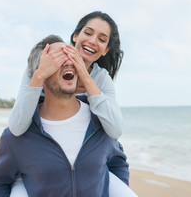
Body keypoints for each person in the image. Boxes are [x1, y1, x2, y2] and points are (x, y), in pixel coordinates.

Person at [0, 38, 129, 197]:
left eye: (72, 58)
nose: (68, 63)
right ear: (40, 72)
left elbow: (118, 164)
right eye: (57, 60)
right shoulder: (18, 136)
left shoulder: (100, 122)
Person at [9, 11, 124, 140]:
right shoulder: (47, 59)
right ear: (75, 36)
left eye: (101, 39)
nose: (92, 41)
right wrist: (40, 75)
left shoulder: (101, 78)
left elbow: (115, 131)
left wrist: (85, 75)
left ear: (105, 50)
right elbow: (16, 128)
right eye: (88, 33)